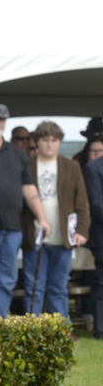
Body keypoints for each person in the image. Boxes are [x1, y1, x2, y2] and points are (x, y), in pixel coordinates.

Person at [0, 103, 50, 319]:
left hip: (12, 226)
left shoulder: (17, 154)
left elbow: (29, 188)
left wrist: (42, 218)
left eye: (2, 119)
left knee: (6, 279)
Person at [21, 121, 90, 316]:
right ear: (37, 142)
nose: (49, 144)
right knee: (34, 288)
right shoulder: (27, 165)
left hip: (63, 237)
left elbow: (82, 201)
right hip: (35, 238)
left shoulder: (72, 166)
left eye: (54, 140)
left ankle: (60, 332)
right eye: (45, 140)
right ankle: (31, 330)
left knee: (59, 288)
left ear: (59, 142)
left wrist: (82, 231)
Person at [83, 136, 103, 338]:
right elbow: (97, 204)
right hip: (101, 235)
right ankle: (101, 329)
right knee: (102, 282)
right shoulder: (94, 168)